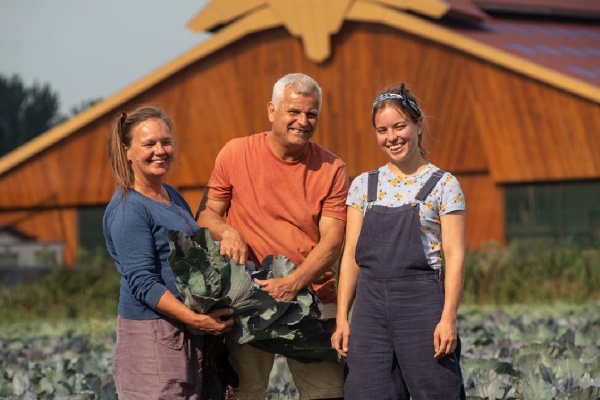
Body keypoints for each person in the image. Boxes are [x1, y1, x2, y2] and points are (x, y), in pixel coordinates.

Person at [196, 73, 349, 400]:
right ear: (272, 111)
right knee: (244, 392)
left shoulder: (333, 168)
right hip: (248, 300)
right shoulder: (235, 153)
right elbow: (207, 215)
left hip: (315, 301)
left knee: (328, 394)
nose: (303, 121)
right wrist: (228, 231)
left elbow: (333, 241)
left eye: (311, 114)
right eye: (294, 112)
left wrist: (293, 283)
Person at [331, 84, 467, 400]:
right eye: (382, 130)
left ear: (418, 125)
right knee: (366, 391)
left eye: (399, 126)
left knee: (436, 390)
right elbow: (351, 255)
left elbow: (455, 256)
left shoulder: (444, 185)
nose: (391, 137)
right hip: (370, 308)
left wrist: (448, 319)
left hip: (421, 304)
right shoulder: (364, 185)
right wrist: (342, 318)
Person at [103, 105, 235, 400]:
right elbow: (143, 282)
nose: (160, 151)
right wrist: (195, 319)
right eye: (149, 144)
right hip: (153, 337)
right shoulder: (129, 209)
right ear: (127, 151)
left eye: (165, 142)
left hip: (189, 333)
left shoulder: (171, 195)